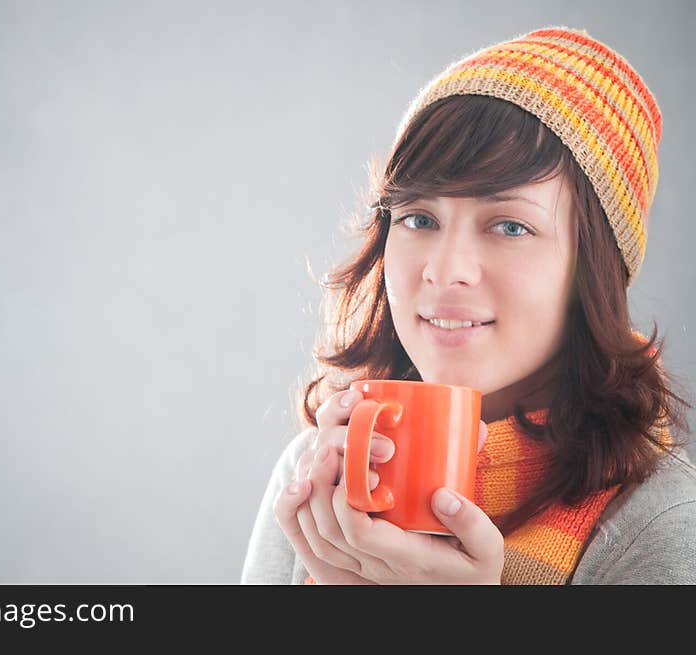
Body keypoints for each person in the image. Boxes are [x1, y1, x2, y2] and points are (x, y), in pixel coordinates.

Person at [240, 26, 696, 585]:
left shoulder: (660, 527)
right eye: (418, 218)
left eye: (509, 226)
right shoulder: (318, 482)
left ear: (592, 271)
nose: (445, 269)